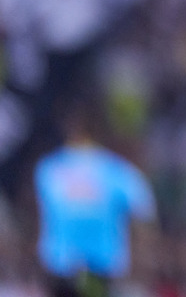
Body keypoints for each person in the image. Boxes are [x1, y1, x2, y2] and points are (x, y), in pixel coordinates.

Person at [34, 105, 157, 297]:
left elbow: (37, 214)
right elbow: (143, 212)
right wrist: (142, 257)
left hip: (61, 260)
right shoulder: (117, 169)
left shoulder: (49, 168)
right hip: (103, 259)